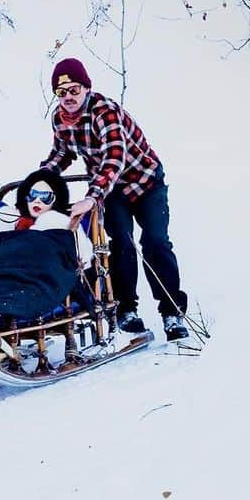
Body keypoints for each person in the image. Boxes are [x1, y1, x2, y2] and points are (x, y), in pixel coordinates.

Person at [38, 57, 190, 341]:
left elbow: (114, 158)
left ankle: (171, 312)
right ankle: (126, 310)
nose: (68, 97)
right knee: (119, 244)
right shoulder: (60, 119)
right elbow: (62, 153)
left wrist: (92, 197)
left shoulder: (104, 111)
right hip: (112, 191)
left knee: (155, 242)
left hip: (145, 183)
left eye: (74, 90)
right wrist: (41, 179)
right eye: (62, 92)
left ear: (85, 88)